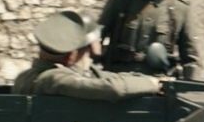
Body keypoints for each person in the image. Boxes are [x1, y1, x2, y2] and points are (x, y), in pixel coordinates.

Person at [13, 11, 164, 101]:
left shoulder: (28, 76)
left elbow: (104, 76)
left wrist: (155, 79)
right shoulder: (52, 78)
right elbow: (112, 88)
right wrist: (154, 84)